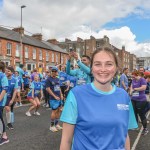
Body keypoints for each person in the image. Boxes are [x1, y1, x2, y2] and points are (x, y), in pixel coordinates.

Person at [60, 47, 137, 150]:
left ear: (116, 68)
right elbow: (66, 140)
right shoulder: (76, 95)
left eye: (109, 64)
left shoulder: (124, 96)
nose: (103, 69)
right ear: (92, 68)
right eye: (97, 64)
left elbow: (124, 135)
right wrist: (70, 60)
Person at [130, 71, 148, 135]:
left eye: (133, 75)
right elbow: (131, 87)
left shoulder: (142, 80)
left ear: (137, 75)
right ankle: (136, 126)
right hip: (133, 99)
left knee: (141, 114)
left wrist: (135, 89)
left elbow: (143, 88)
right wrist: (131, 91)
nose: (132, 76)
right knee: (134, 113)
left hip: (141, 100)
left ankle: (145, 129)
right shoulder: (133, 80)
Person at [46, 67, 63, 132]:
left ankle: (57, 124)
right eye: (53, 71)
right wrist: (54, 96)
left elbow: (59, 88)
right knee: (54, 111)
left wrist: (61, 94)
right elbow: (48, 89)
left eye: (55, 72)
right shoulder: (48, 79)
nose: (54, 73)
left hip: (59, 97)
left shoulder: (57, 79)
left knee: (58, 110)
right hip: (53, 98)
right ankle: (52, 126)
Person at [0, 61, 9, 145]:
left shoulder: (2, 76)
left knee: (0, 118)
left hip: (0, 102)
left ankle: (4, 137)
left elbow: (5, 89)